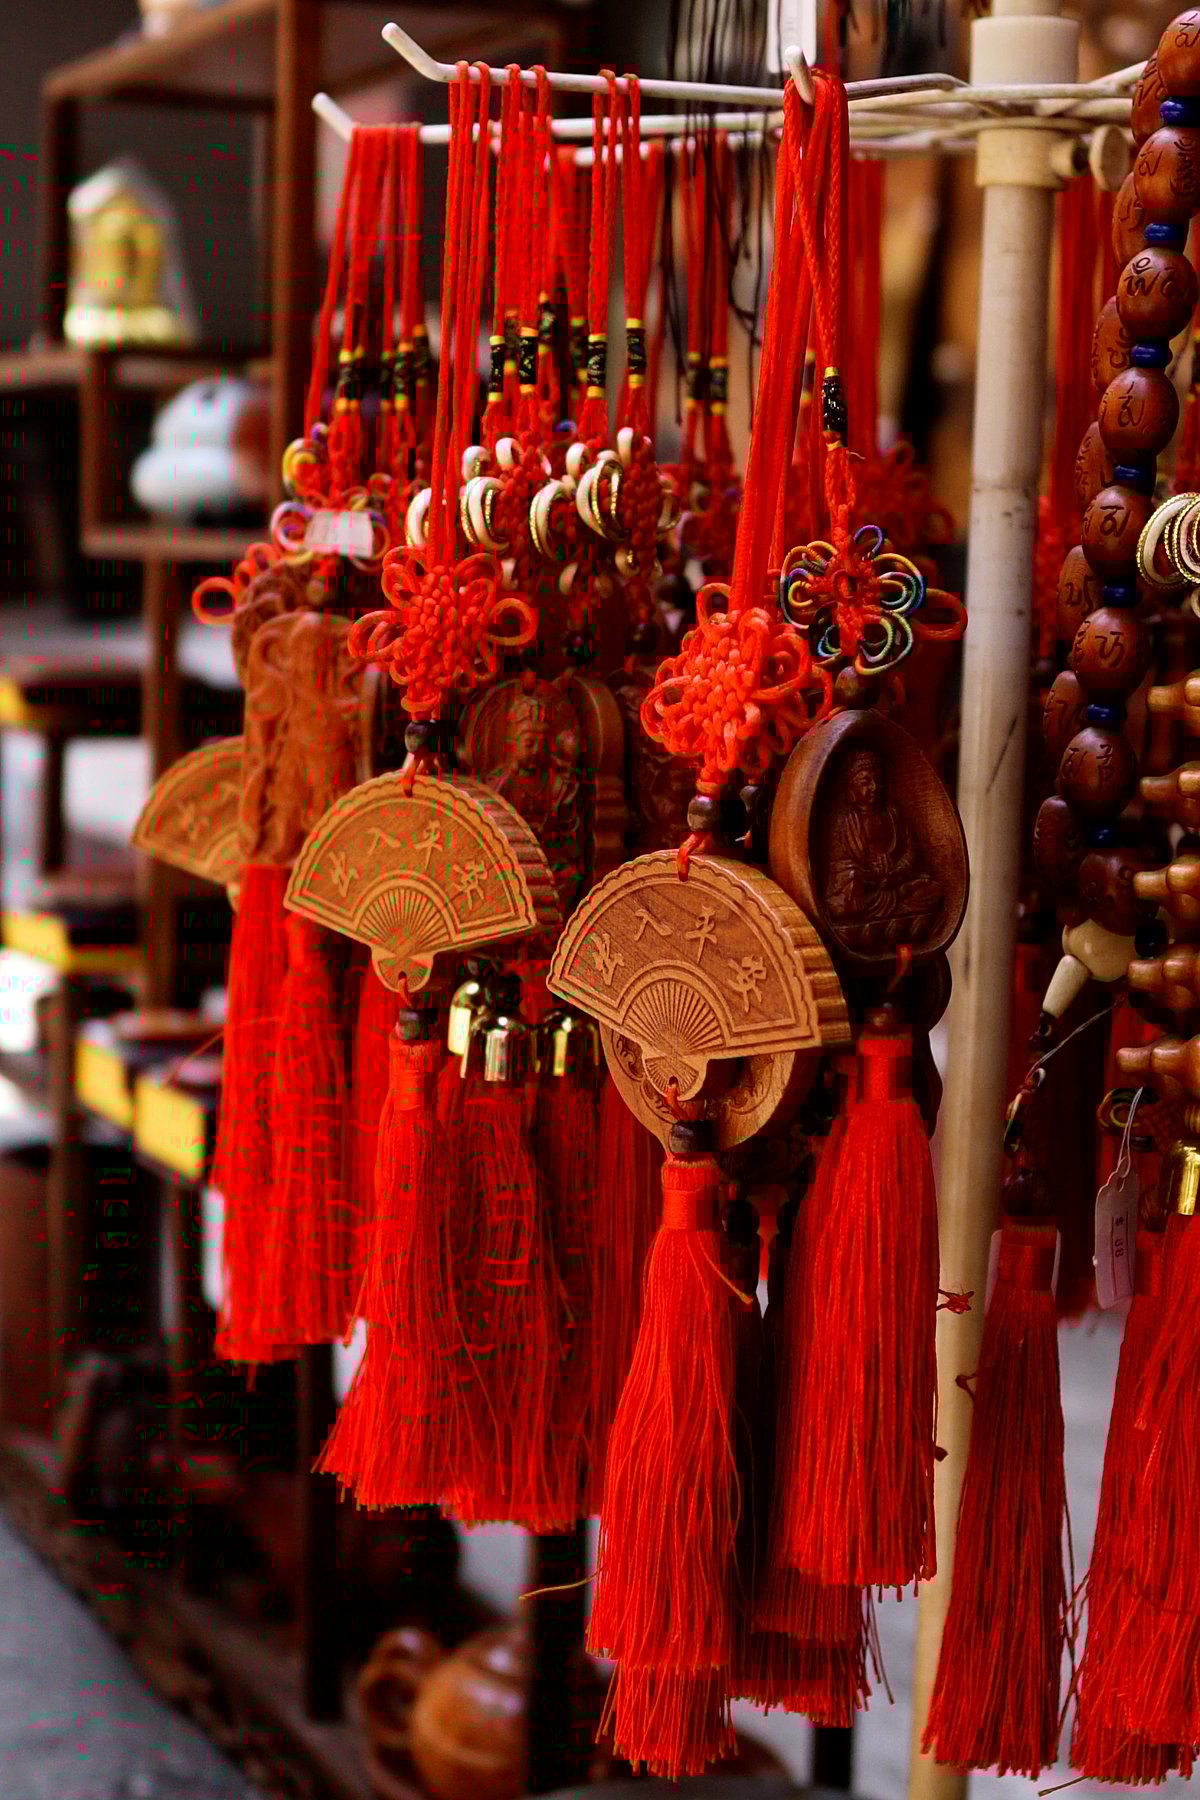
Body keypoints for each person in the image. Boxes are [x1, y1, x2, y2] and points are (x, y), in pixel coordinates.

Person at [825, 747, 942, 951]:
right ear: (851, 787)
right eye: (866, 782)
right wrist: (868, 875)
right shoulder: (844, 822)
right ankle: (886, 924)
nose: (874, 787)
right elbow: (838, 866)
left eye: (877, 780)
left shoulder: (893, 814)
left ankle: (893, 922)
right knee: (846, 896)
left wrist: (896, 872)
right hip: (867, 893)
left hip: (897, 888)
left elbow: (911, 853)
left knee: (933, 891)